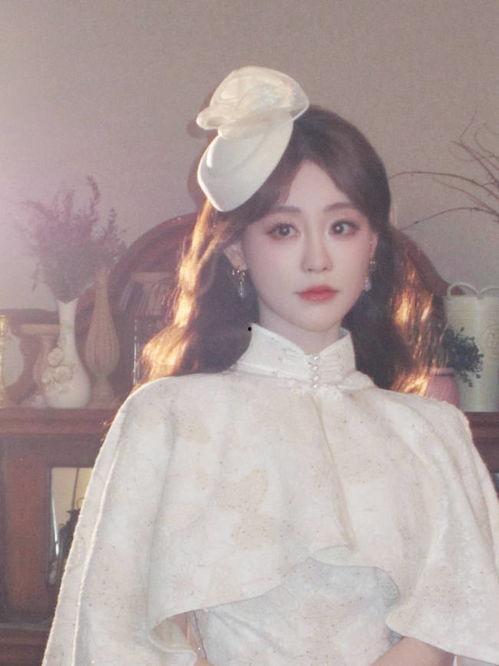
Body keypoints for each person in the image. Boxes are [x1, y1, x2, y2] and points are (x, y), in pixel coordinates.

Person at [43, 67, 499, 666]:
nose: (317, 258)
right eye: (284, 229)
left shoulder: (432, 435)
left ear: (372, 245)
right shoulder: (168, 418)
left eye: (341, 227)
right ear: (237, 248)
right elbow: (111, 638)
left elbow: (463, 625)